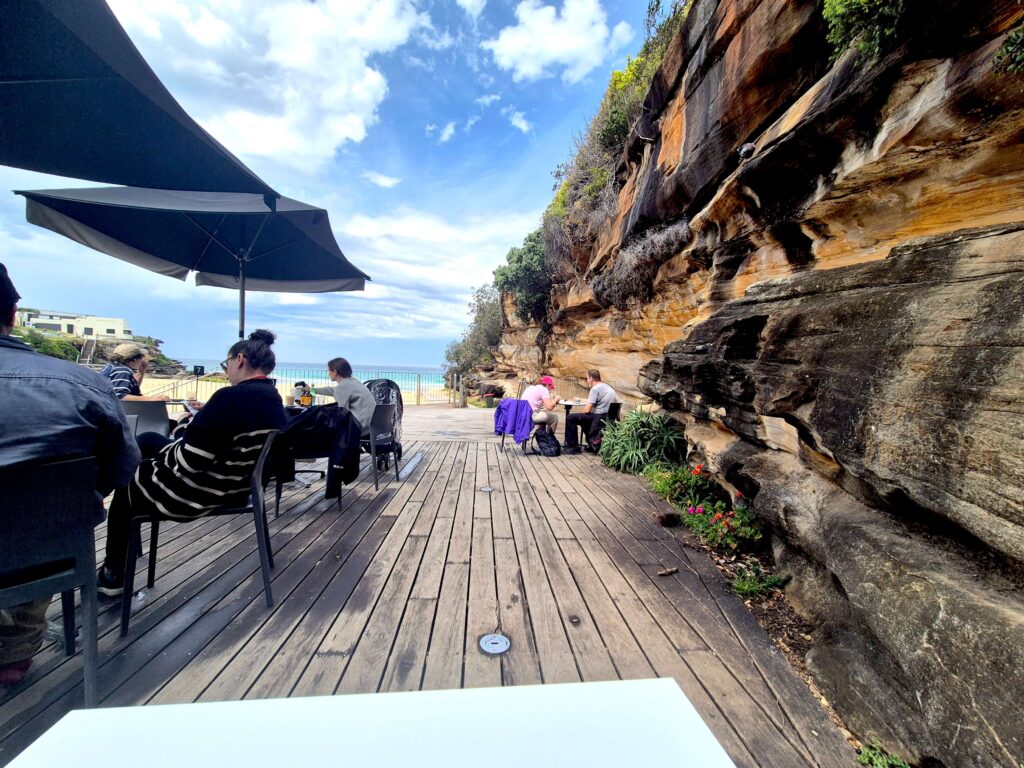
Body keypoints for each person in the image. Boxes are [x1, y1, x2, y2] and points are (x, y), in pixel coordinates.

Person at [0, 263, 141, 684]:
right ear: (11, 315)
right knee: (45, 514)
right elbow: (122, 466)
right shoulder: (83, 385)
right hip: (46, 550)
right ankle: (15, 648)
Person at [97, 329, 288, 596]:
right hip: (238, 486)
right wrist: (187, 431)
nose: (227, 370)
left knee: (130, 479)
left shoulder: (229, 398)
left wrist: (178, 441)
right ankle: (112, 549)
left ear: (240, 360)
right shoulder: (272, 398)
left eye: (227, 364)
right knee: (150, 439)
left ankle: (113, 574)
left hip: (199, 493)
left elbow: (190, 463)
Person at [312, 357, 375, 434]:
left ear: (334, 371)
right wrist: (312, 390)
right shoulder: (353, 381)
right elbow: (333, 390)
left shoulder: (342, 387)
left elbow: (341, 413)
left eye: (328, 370)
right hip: (370, 427)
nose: (328, 373)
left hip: (358, 428)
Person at [564, 369, 620, 454]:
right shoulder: (606, 386)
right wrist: (580, 399)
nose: (587, 381)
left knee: (571, 418)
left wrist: (583, 410)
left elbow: (587, 410)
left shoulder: (595, 389)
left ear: (591, 378)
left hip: (599, 417)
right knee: (584, 419)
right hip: (607, 416)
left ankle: (573, 447)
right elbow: (595, 401)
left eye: (587, 378)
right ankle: (592, 444)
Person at [98, 343, 168, 402]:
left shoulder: (111, 367)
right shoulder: (122, 370)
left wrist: (141, 372)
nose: (142, 360)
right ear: (134, 359)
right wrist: (151, 399)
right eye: (141, 357)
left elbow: (128, 388)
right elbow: (120, 396)